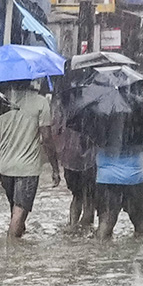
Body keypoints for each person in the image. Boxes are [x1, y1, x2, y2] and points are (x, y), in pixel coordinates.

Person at [0, 81, 59, 238]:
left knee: (16, 213)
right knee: (19, 215)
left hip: (5, 168)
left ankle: (19, 253)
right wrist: (55, 168)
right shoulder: (40, 102)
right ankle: (11, 253)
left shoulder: (0, 102)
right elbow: (47, 138)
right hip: (27, 169)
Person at [51, 94, 97, 227]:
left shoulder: (64, 106)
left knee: (77, 196)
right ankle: (84, 233)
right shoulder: (92, 107)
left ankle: (72, 227)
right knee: (89, 198)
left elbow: (55, 131)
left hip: (69, 159)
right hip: (89, 160)